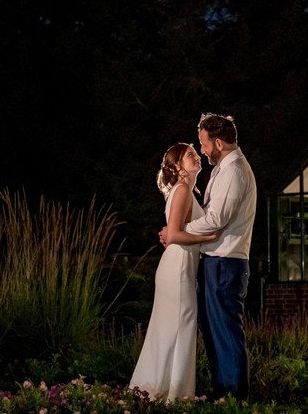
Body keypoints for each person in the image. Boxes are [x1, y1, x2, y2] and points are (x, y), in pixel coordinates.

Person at [129, 142, 219, 402]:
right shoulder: (181, 191)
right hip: (177, 268)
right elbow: (176, 234)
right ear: (178, 166)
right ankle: (172, 396)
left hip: (182, 267)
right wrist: (212, 236)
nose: (196, 157)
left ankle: (160, 392)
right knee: (180, 328)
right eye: (190, 155)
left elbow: (174, 232)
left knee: (175, 329)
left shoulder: (187, 192)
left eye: (195, 153)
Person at [178, 112, 257, 401]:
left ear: (219, 142)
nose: (202, 150)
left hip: (226, 262)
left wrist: (179, 230)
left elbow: (217, 219)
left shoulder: (235, 171)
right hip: (216, 261)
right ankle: (221, 392)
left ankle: (235, 396)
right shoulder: (224, 169)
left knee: (225, 328)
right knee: (212, 329)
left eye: (204, 144)